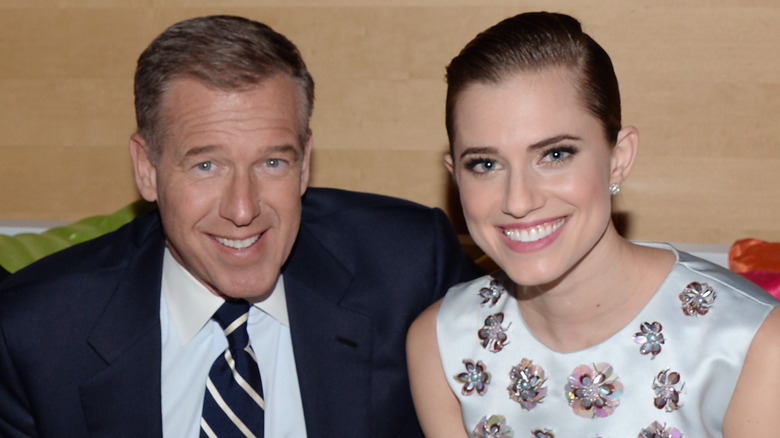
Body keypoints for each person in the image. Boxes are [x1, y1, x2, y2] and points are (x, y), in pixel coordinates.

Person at [0, 15, 482, 437]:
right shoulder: (37, 334)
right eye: (207, 166)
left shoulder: (408, 268)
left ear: (305, 163)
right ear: (147, 168)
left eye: (272, 162)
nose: (243, 208)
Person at [407, 11, 780, 438]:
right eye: (486, 164)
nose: (519, 200)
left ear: (618, 158)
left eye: (555, 154)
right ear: (456, 175)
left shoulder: (752, 346)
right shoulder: (442, 344)